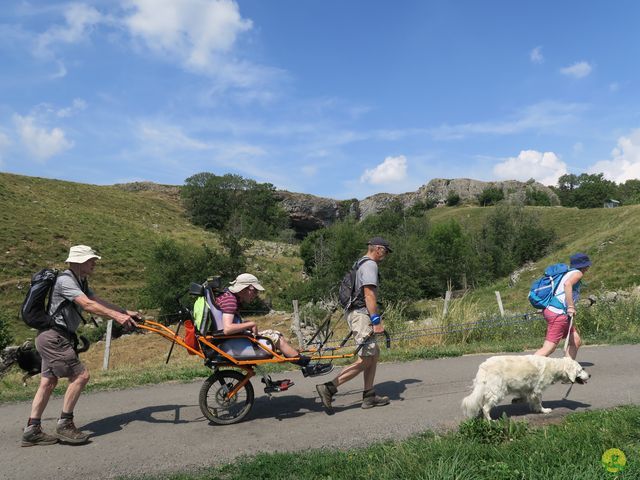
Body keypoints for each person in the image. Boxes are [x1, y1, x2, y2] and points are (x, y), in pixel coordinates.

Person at [22, 245, 140, 447]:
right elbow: (87, 305)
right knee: (81, 376)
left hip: (53, 337)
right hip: (54, 338)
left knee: (48, 382)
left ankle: (32, 430)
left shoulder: (81, 281)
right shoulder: (66, 280)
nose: (94, 263)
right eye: (91, 260)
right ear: (79, 261)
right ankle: (65, 424)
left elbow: (96, 300)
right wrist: (118, 317)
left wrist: (125, 311)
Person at [316, 237, 392, 413]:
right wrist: (376, 321)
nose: (386, 256)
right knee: (366, 358)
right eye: (386, 252)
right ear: (378, 249)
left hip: (356, 314)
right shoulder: (370, 265)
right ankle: (329, 387)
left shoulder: (359, 263)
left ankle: (369, 395)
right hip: (362, 315)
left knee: (373, 354)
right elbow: (369, 295)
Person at [215, 273, 310, 366]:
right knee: (277, 337)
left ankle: (297, 358)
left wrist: (245, 324)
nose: (256, 294)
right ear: (248, 289)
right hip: (233, 344)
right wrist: (251, 324)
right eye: (255, 291)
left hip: (230, 341)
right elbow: (227, 329)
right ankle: (304, 363)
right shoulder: (230, 300)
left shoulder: (227, 296)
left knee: (274, 334)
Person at [534, 253, 591, 360]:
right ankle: (526, 368)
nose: (588, 268)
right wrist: (571, 306)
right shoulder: (577, 273)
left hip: (557, 312)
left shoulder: (567, 273)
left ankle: (567, 368)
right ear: (584, 265)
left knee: (576, 341)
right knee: (548, 348)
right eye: (587, 265)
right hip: (559, 313)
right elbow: (567, 285)